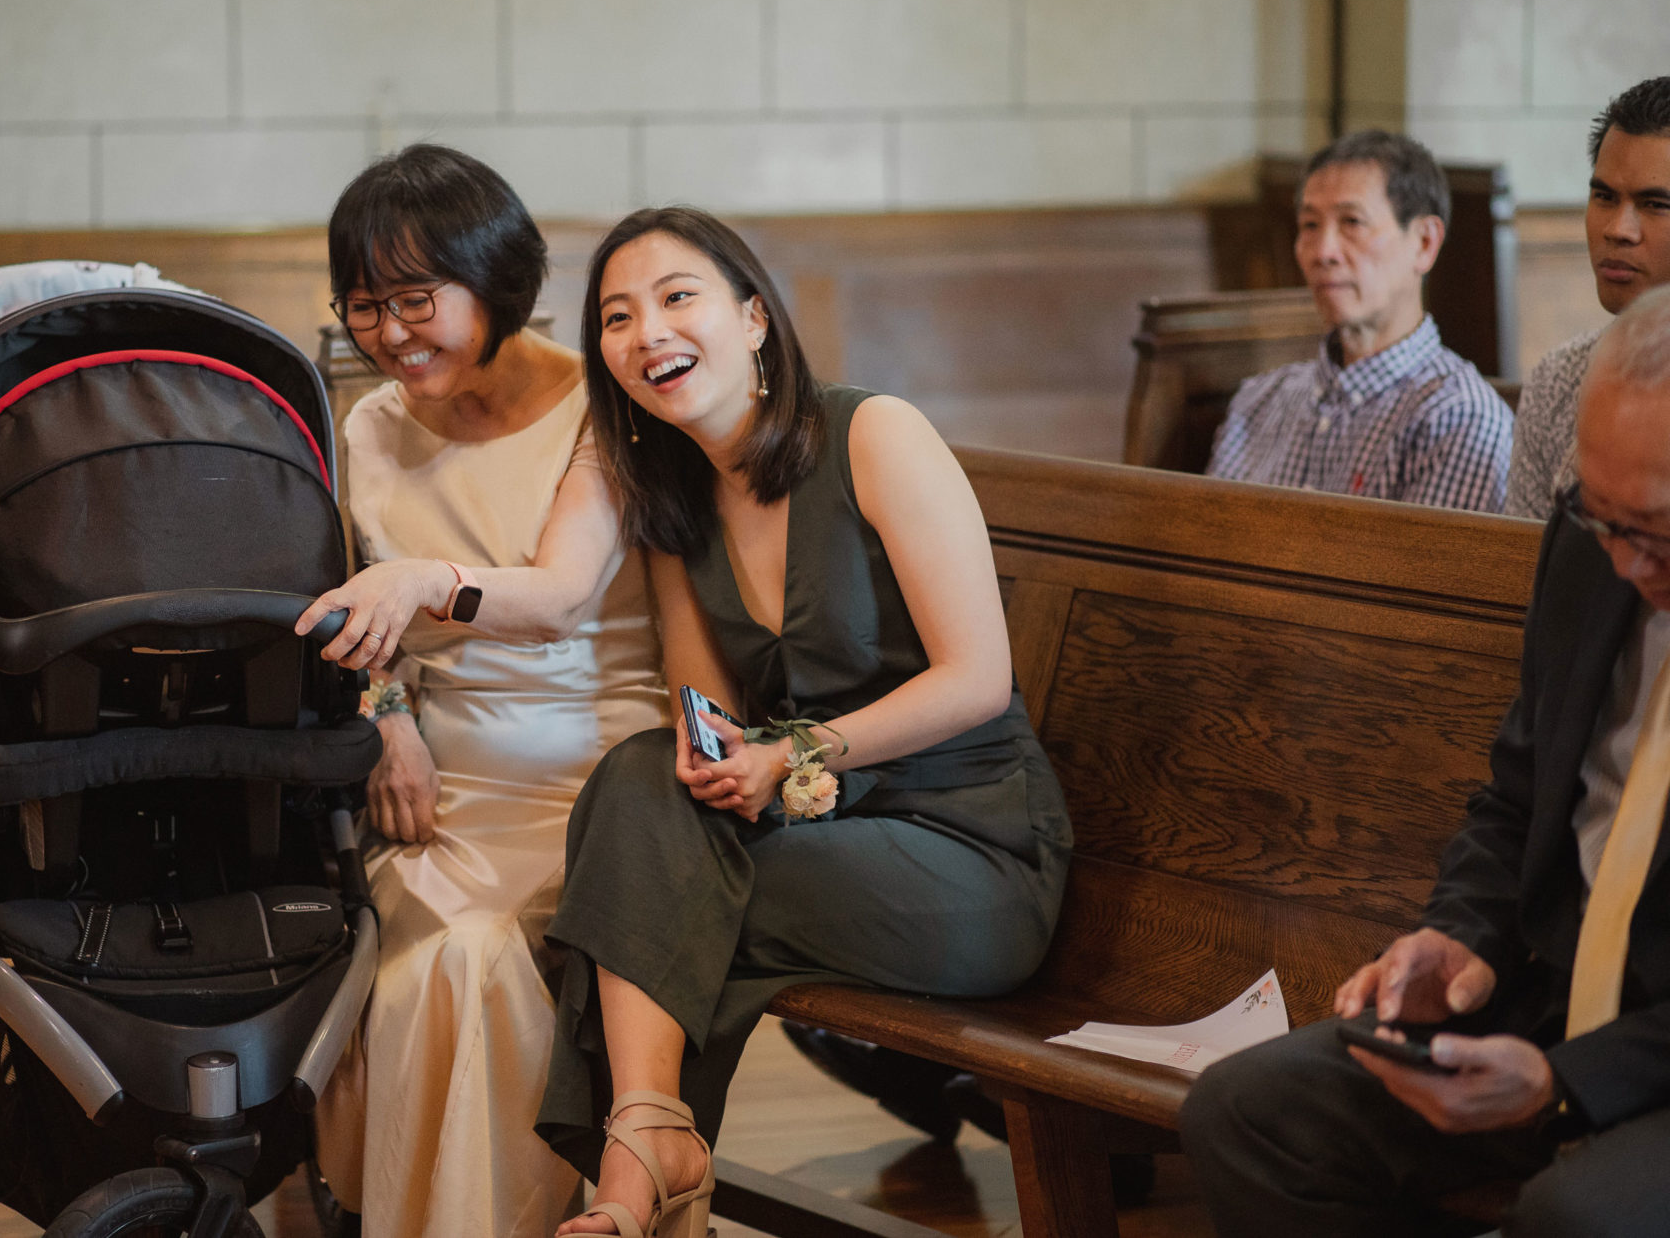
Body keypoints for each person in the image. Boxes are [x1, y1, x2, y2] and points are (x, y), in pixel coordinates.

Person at [532, 207, 1073, 1238]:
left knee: (636, 891)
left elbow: (975, 677)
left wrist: (797, 754)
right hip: (821, 838)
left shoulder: (874, 435)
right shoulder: (675, 505)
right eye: (615, 316)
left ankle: (634, 1168)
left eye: (674, 297)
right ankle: (649, 1136)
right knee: (640, 778)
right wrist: (729, 761)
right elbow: (710, 724)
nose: (646, 332)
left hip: (969, 845)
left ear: (751, 319)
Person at [1180, 285, 1670, 1237]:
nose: (1619, 560)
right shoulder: (1591, 544)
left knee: (1577, 1216)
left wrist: (1569, 1082)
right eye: (1599, 514)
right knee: (1250, 1115)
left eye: (1649, 526)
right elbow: (1518, 792)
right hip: (1559, 993)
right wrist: (1460, 937)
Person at [296, 145, 667, 1238]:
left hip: (590, 776)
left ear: (495, 283)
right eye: (364, 306)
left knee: (474, 963)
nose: (390, 335)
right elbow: (358, 620)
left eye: (417, 300)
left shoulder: (599, 407)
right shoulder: (368, 426)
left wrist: (419, 581)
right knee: (401, 969)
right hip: (436, 782)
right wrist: (388, 719)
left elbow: (555, 598)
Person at [1206, 130, 1513, 512]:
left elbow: (1420, 573)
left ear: (1424, 243)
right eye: (1310, 226)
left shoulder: (1457, 417)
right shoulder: (1257, 402)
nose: (1323, 252)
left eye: (1351, 222)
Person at [1508, 77, 1670, 520]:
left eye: (1656, 204)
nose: (1617, 228)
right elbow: (1524, 574)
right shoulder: (1558, 382)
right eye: (1603, 196)